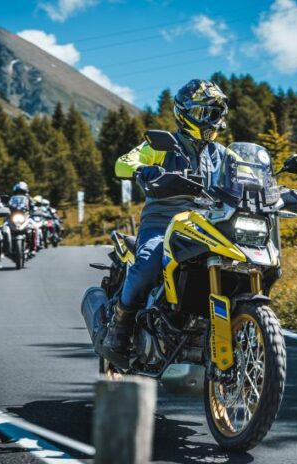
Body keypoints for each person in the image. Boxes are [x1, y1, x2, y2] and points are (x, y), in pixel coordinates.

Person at [100, 79, 230, 362]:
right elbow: (123, 163)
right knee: (148, 262)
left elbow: (247, 176)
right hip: (163, 224)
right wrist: (143, 170)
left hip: (209, 226)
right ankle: (118, 329)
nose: (210, 120)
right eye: (203, 112)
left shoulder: (222, 155)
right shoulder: (162, 145)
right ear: (184, 113)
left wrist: (271, 188)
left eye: (214, 113)